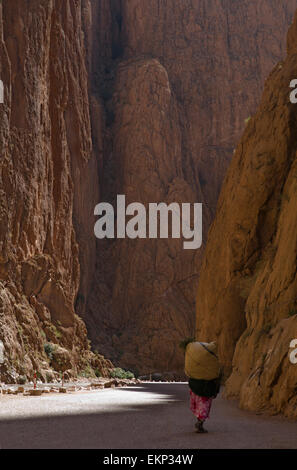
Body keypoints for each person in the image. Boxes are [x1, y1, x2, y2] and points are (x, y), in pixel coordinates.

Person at [180, 338, 221, 433]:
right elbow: (217, 376)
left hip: (195, 385)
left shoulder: (205, 365)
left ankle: (199, 422)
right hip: (206, 387)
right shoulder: (212, 363)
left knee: (199, 406)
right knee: (204, 406)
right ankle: (200, 424)